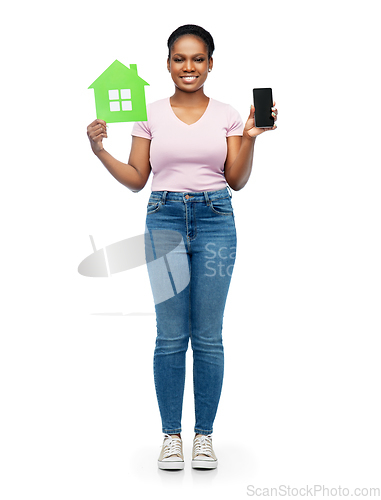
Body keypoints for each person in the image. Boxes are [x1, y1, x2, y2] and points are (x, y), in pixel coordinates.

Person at [87, 24, 277, 471]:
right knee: (171, 336)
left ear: (210, 63)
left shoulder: (229, 114)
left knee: (208, 336)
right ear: (168, 63)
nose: (188, 66)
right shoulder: (148, 114)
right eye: (179, 58)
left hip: (216, 221)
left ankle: (204, 437)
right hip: (165, 221)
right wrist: (99, 151)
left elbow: (236, 180)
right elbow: (137, 179)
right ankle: (171, 436)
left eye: (197, 58)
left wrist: (249, 138)